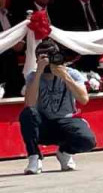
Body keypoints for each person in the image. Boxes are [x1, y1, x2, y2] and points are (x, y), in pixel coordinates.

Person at [19, 42, 95, 175]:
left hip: (66, 122)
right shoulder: (33, 75)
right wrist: (39, 73)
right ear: (37, 59)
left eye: (51, 56)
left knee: (88, 140)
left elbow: (84, 99)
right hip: (43, 125)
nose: (48, 61)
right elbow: (30, 103)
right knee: (27, 114)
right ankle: (34, 157)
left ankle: (65, 152)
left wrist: (64, 76)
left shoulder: (72, 73)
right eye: (43, 57)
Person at [0, 0, 25, 99]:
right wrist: (11, 45)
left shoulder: (10, 15)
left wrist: (21, 42)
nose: (0, 1)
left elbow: (20, 31)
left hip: (12, 61)